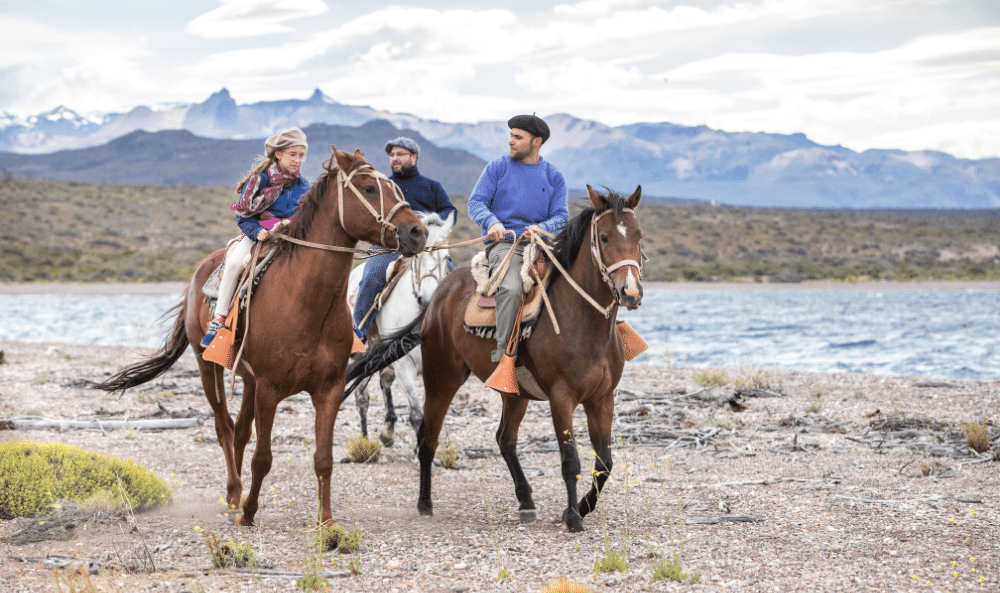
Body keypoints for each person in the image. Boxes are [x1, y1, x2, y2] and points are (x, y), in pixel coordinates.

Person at [467, 114, 569, 363]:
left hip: (542, 243)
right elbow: (476, 202)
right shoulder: (497, 167)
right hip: (505, 244)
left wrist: (541, 227)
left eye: (518, 137)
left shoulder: (554, 176)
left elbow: (562, 216)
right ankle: (505, 355)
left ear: (537, 142)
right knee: (512, 289)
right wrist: (492, 222)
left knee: (584, 275)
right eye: (511, 135)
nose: (511, 141)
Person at [201, 128, 310, 347]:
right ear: (278, 154)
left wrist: (288, 223)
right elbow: (243, 215)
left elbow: (306, 214)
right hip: (258, 235)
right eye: (292, 154)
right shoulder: (259, 180)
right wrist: (256, 231)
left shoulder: (304, 186)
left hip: (291, 236)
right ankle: (219, 319)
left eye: (301, 155)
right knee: (234, 263)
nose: (297, 160)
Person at [352, 136, 457, 340]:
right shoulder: (385, 186)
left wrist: (430, 222)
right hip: (389, 247)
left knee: (455, 280)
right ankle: (359, 334)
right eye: (392, 155)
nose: (394, 158)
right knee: (372, 277)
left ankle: (457, 333)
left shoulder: (432, 186)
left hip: (426, 247)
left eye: (400, 154)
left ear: (414, 157)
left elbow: (449, 211)